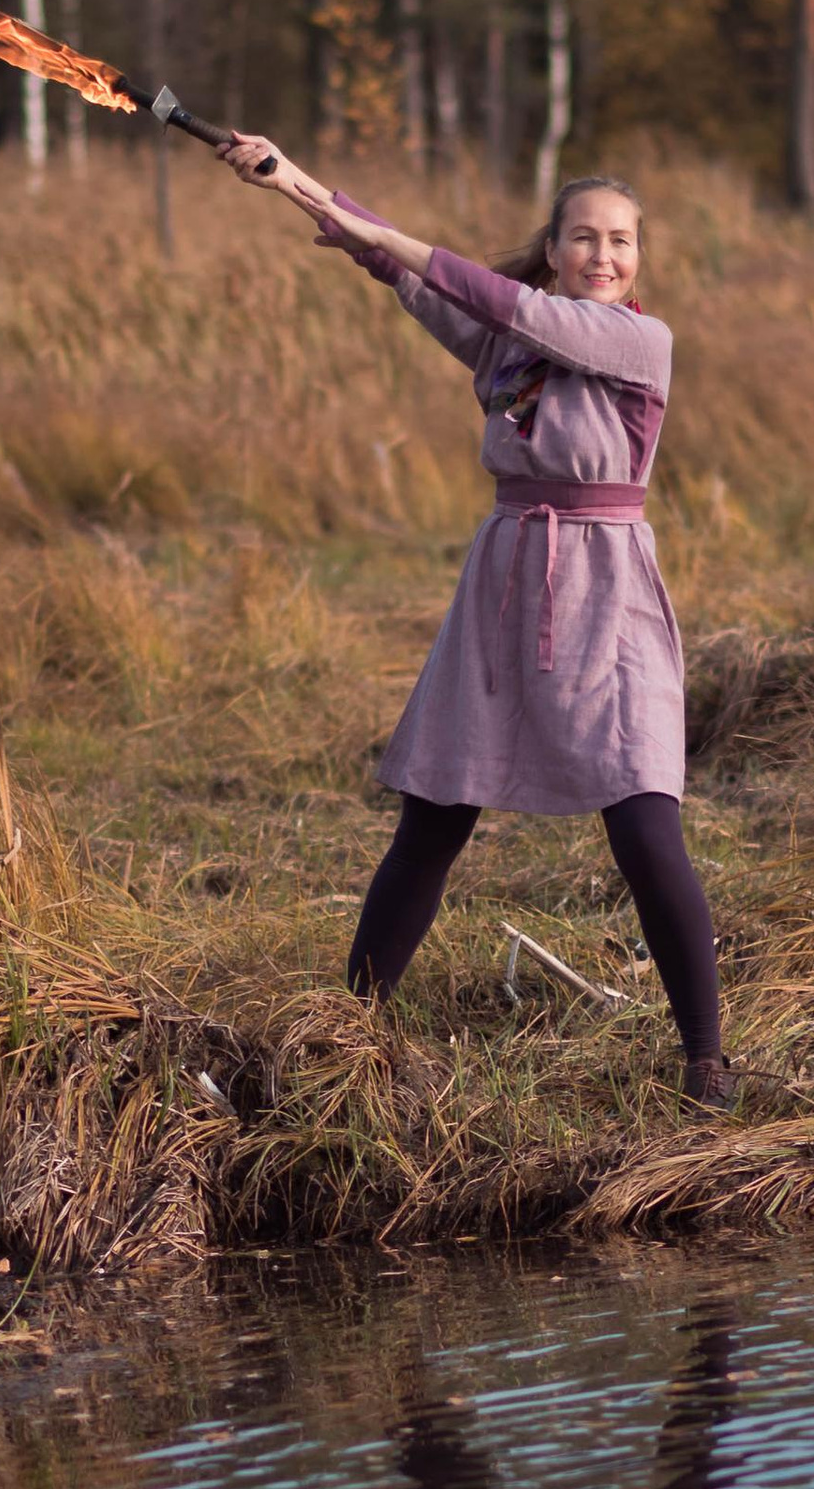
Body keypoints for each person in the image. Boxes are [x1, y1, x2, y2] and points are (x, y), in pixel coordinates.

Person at [215, 134, 732, 1111]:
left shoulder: (638, 342)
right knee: (435, 814)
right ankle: (349, 1028)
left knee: (642, 817)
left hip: (605, 591)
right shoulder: (512, 348)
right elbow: (403, 272)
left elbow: (495, 297)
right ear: (554, 246)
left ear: (639, 259)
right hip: (504, 582)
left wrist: (383, 234)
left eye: (621, 241)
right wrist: (292, 182)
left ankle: (706, 1061)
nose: (604, 255)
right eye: (585, 238)